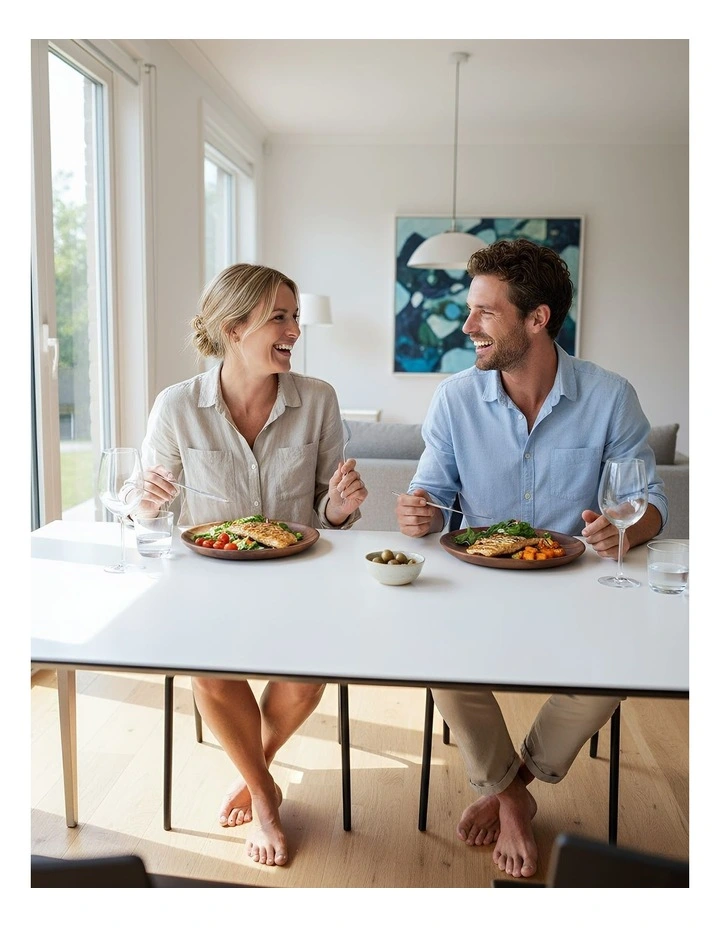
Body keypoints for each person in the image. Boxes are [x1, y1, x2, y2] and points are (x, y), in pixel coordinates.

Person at [395, 238, 667, 880]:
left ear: (537, 319)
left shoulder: (610, 396)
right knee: (436, 657)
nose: (467, 327)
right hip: (478, 585)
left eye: (485, 312)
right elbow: (428, 496)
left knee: (618, 667)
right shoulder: (455, 399)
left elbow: (647, 502)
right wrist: (418, 514)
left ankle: (510, 782)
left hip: (576, 585)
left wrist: (625, 527)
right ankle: (514, 798)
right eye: (470, 310)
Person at [135, 263, 368, 867]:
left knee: (306, 676)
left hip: (300, 582)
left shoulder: (318, 400)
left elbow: (329, 510)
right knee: (211, 674)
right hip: (206, 585)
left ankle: (250, 770)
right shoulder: (176, 406)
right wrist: (146, 506)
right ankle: (264, 793)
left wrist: (339, 510)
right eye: (280, 317)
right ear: (234, 328)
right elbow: (142, 508)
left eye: (294, 316)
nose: (295, 329)